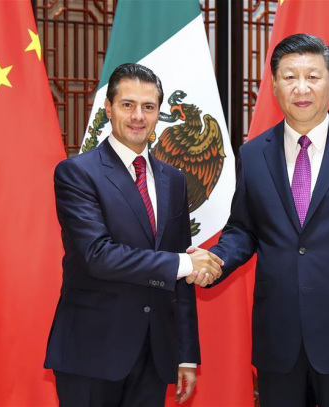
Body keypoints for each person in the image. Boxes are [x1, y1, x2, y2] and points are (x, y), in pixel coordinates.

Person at [189, 34, 329, 406]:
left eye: (313, 75)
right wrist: (217, 261)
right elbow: (244, 228)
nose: (302, 87)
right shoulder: (254, 153)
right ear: (274, 84)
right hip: (280, 336)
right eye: (290, 76)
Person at [44, 63, 223, 407]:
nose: (138, 116)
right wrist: (185, 263)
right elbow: (98, 255)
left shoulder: (174, 179)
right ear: (108, 109)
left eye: (149, 107)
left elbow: (180, 272)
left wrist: (185, 354)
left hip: (155, 354)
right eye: (127, 105)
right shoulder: (77, 174)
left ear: (159, 113)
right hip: (92, 352)